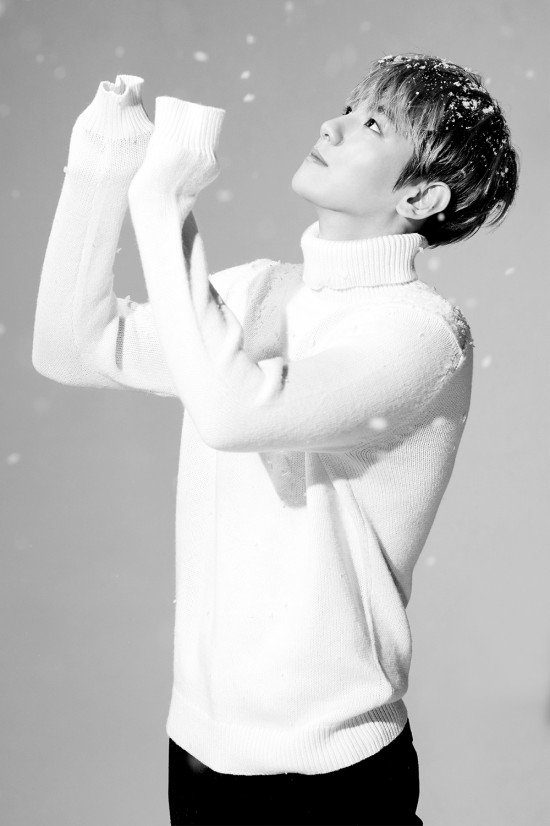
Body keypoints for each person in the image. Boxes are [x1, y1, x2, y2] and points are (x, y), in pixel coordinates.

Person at [32, 53, 519, 826]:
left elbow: (234, 414)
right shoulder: (257, 290)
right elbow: (72, 345)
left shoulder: (423, 335)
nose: (334, 125)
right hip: (199, 755)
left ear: (421, 195)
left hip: (332, 775)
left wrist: (164, 204)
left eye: (372, 123)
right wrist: (103, 163)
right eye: (348, 106)